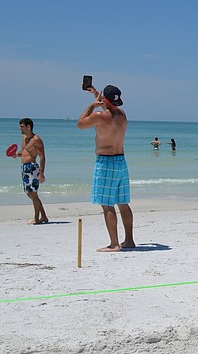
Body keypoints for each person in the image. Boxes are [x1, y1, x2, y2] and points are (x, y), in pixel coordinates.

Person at [77, 84, 136, 252]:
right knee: (122, 203)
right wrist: (95, 94)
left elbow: (80, 124)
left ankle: (114, 244)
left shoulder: (100, 117)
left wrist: (91, 105)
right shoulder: (122, 114)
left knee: (107, 204)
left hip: (106, 162)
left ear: (104, 100)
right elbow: (109, 106)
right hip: (121, 161)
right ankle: (129, 240)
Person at [15, 118, 49, 225]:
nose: (20, 129)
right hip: (24, 167)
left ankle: (36, 218)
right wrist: (16, 155)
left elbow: (42, 157)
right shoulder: (24, 137)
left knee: (33, 194)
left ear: (28, 127)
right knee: (29, 194)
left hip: (32, 168)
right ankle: (43, 216)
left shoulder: (36, 139)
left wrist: (42, 173)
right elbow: (24, 151)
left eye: (22, 127)